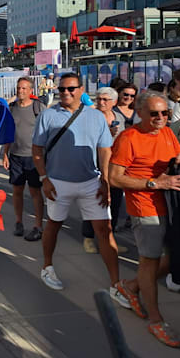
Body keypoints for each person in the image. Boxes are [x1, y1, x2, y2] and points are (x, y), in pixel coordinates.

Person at [32, 73, 128, 310]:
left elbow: (105, 149)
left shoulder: (95, 116)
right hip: (57, 182)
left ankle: (116, 284)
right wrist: (44, 178)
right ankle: (47, 267)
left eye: (71, 88)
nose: (66, 92)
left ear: (81, 89)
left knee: (104, 231)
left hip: (90, 182)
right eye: (62, 89)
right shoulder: (48, 114)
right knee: (53, 225)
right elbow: (37, 149)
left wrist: (105, 179)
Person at [110, 90, 180, 348]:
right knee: (150, 260)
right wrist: (155, 183)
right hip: (145, 206)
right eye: (154, 114)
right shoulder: (129, 137)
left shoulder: (168, 132)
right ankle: (156, 320)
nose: (161, 118)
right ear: (140, 113)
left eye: (165, 113)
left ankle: (130, 286)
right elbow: (114, 178)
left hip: (171, 204)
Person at [81, 87, 127, 254]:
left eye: (105, 100)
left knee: (113, 203)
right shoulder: (88, 117)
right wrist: (105, 132)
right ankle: (88, 237)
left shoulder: (119, 118)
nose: (101, 102)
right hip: (93, 165)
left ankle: (109, 239)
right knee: (93, 202)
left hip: (115, 166)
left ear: (114, 102)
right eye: (99, 99)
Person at [3, 77, 45, 241]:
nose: (20, 91)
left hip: (33, 157)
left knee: (35, 192)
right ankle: (19, 222)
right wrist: (5, 153)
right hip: (16, 156)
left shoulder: (38, 107)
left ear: (31, 91)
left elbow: (47, 131)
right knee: (17, 191)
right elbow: (8, 132)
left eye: (24, 88)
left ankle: (38, 225)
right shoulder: (11, 108)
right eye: (19, 88)